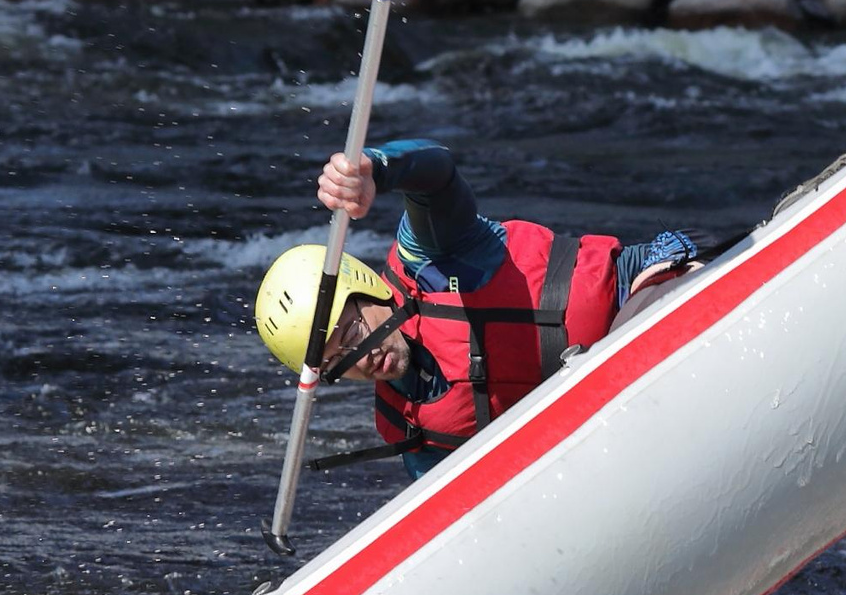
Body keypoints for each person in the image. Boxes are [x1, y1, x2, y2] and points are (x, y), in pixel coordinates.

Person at [254, 139, 704, 478]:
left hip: (637, 297)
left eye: (351, 336)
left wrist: (376, 168)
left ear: (365, 289)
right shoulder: (410, 428)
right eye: (337, 364)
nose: (362, 360)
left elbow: (437, 174)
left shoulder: (432, 256)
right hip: (606, 428)